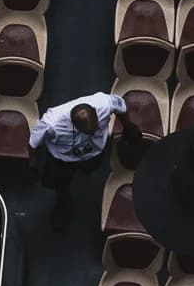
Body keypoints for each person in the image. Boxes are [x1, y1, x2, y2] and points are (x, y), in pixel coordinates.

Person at [28, 90, 127, 227]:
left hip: (94, 152)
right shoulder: (51, 123)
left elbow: (121, 109)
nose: (94, 132)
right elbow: (32, 144)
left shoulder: (104, 103)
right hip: (62, 159)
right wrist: (32, 165)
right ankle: (62, 205)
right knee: (61, 185)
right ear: (74, 125)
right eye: (89, 132)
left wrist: (128, 127)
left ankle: (85, 170)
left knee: (91, 167)